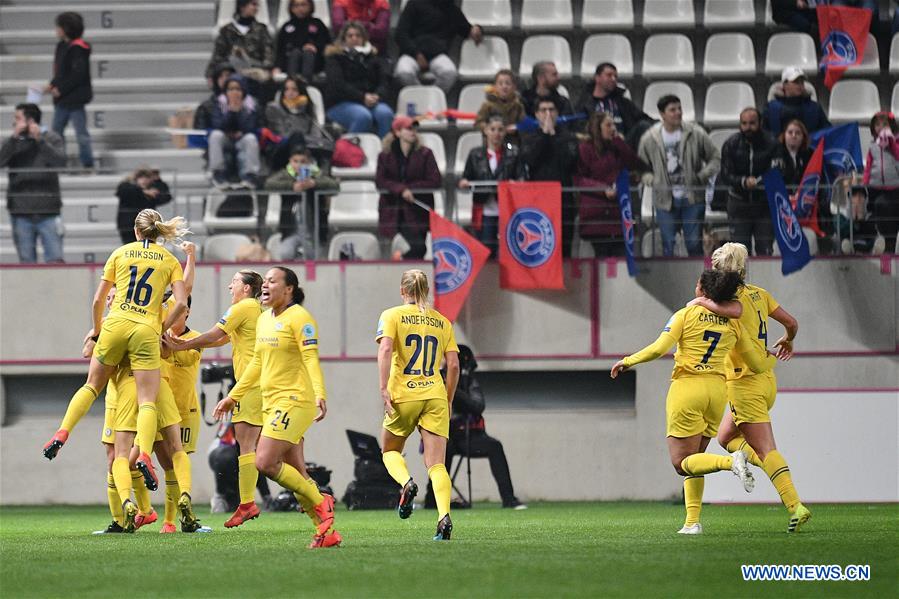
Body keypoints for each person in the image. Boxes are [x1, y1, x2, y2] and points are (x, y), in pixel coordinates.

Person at [611, 269, 777, 534]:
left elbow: (658, 348)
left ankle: (730, 461)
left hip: (688, 389)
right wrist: (773, 357)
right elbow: (757, 364)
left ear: (702, 289)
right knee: (695, 459)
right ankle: (692, 522)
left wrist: (628, 360)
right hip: (717, 392)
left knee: (681, 463)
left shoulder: (685, 315)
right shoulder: (734, 323)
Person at [43, 209, 190, 498]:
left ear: (136, 231)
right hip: (146, 329)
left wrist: (97, 330)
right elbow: (182, 303)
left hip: (116, 323)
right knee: (147, 399)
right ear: (159, 232)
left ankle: (63, 431)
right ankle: (144, 454)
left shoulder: (121, 253)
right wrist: (162, 325)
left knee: (91, 386)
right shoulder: (170, 260)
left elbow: (99, 300)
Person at [214, 267, 341, 548]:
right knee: (296, 472)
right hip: (271, 402)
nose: (267, 285)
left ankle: (322, 502)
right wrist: (234, 396)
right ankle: (326, 532)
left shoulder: (301, 319)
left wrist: (320, 392)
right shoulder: (264, 320)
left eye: (273, 281)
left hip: (294, 401)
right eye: (266, 281)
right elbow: (256, 364)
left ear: (289, 289)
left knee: (265, 462)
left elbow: (310, 359)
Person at [695, 242, 812, 533]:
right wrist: (788, 338)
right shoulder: (760, 294)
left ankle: (795, 504)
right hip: (767, 381)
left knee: (766, 448)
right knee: (725, 437)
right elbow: (792, 323)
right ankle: (751, 461)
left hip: (743, 384)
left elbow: (705, 305)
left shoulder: (725, 305)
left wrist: (698, 301)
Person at [165, 270, 266, 528]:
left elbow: (212, 334)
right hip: (261, 383)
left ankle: (250, 503)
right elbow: (222, 339)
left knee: (250, 446)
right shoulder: (255, 310)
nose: (229, 285)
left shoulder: (241, 308)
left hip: (251, 385)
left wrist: (182, 345)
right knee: (263, 446)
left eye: (234, 281)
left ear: (246, 288)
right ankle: (250, 502)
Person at [377, 269, 460, 540]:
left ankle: (406, 483)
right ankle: (443, 517)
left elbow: (386, 349)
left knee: (390, 451)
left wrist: (383, 388)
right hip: (435, 394)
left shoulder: (391, 315)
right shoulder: (442, 322)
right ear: (426, 291)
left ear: (403, 291)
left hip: (404, 393)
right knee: (437, 464)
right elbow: (454, 365)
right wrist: (448, 399)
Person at [425, 345, 525, 510]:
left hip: (471, 437)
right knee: (442, 449)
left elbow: (478, 406)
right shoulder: (435, 380)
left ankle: (509, 499)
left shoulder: (469, 382)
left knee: (495, 446)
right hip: (447, 436)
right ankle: (432, 500)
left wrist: (454, 390)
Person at [638, 95, 720, 257]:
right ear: (662, 114)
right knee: (668, 245)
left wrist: (702, 176)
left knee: (694, 244)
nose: (678, 113)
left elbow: (715, 157)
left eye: (679, 108)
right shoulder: (650, 138)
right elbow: (639, 167)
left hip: (692, 198)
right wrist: (653, 181)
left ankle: (698, 280)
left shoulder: (695, 133)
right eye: (672, 110)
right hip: (664, 200)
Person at [521, 99, 588, 259]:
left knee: (565, 244)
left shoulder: (567, 137)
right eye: (543, 110)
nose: (548, 114)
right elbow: (531, 160)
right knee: (542, 244)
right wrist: (545, 135)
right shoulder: (529, 138)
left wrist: (552, 136)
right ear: (536, 115)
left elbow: (569, 162)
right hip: (539, 200)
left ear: (558, 114)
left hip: (563, 198)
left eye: (551, 110)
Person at [0, 103, 66, 264]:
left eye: (17, 118)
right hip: (20, 210)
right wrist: (13, 139)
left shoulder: (51, 138)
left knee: (55, 260)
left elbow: (61, 162)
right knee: (26, 262)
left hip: (49, 210)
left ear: (30, 121)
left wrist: (40, 141)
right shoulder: (13, 142)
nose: (14, 122)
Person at [573, 112, 645, 257]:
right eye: (608, 125)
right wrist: (602, 189)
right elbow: (579, 179)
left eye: (614, 125)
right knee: (603, 258)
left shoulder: (617, 146)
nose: (613, 128)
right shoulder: (585, 149)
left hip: (618, 213)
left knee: (620, 258)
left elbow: (636, 164)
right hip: (596, 213)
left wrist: (619, 142)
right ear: (597, 128)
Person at [458, 114, 526, 257]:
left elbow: (522, 177)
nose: (496, 134)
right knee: (486, 248)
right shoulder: (475, 154)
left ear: (505, 132)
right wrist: (464, 182)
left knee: (509, 249)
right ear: (486, 131)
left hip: (508, 209)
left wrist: (517, 183)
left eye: (500, 130)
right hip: (484, 210)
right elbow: (466, 177)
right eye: (493, 129)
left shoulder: (513, 152)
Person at [375, 116, 441, 260]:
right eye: (409, 129)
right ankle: (400, 263)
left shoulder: (425, 154)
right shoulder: (385, 155)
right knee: (418, 248)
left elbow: (435, 180)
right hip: (393, 211)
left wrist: (409, 189)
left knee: (420, 249)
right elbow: (380, 181)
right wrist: (401, 190)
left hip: (417, 212)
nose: (413, 132)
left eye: (414, 129)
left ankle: (401, 262)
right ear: (397, 132)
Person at [720, 108, 780, 256]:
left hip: (764, 205)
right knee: (739, 254)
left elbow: (778, 170)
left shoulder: (772, 143)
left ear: (760, 123)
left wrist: (759, 182)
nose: (748, 127)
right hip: (738, 204)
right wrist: (743, 182)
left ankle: (764, 280)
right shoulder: (730, 144)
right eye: (744, 123)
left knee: (765, 251)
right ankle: (741, 280)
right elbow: (726, 174)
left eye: (752, 123)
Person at [264, 147, 339, 260]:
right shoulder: (285, 175)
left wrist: (314, 184)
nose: (298, 165)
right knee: (285, 254)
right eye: (295, 161)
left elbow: (335, 187)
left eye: (303, 161)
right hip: (290, 230)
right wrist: (291, 186)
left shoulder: (316, 174)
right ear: (290, 161)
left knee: (314, 257)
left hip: (313, 231)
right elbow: (268, 184)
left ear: (309, 162)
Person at [393, 0, 483, 92]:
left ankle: (432, 98)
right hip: (412, 54)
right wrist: (416, 54)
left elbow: (466, 29)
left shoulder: (451, 9)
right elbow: (400, 34)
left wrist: (477, 29)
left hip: (437, 55)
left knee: (449, 73)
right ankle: (419, 95)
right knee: (403, 72)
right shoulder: (414, 3)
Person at [323, 21, 393, 138]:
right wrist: (362, 97)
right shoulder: (335, 58)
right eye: (350, 36)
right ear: (344, 39)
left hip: (370, 100)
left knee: (386, 114)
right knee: (362, 116)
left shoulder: (374, 58)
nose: (354, 38)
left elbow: (384, 81)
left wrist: (377, 95)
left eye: (358, 35)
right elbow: (337, 84)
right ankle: (349, 152)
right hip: (340, 102)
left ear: (364, 38)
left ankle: (382, 152)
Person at [46, 11, 94, 169]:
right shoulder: (61, 46)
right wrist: (52, 85)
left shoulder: (78, 48)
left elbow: (78, 75)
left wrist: (60, 89)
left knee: (81, 135)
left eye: (58, 27)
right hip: (62, 101)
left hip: (75, 100)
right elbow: (60, 72)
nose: (56, 30)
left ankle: (87, 164)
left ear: (66, 29)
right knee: (57, 134)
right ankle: (59, 164)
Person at [206, 0, 275, 102]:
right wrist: (210, 74)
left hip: (255, 70)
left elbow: (268, 54)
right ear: (242, 7)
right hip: (232, 70)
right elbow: (218, 55)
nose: (256, 8)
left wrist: (263, 67)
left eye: (257, 5)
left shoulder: (261, 30)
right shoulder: (227, 30)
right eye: (253, 5)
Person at [264, 75, 334, 171]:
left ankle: (320, 174)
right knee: (297, 136)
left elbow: (316, 136)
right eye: (287, 89)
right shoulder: (274, 108)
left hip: (306, 147)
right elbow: (282, 134)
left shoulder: (307, 110)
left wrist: (299, 109)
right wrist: (292, 111)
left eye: (294, 90)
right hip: (281, 148)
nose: (290, 93)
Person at [853, 111, 899, 255]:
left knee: (884, 207)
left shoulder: (896, 142)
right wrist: (866, 183)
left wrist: (891, 143)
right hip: (875, 186)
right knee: (870, 209)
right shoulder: (873, 145)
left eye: (884, 124)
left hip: (893, 188)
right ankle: (864, 242)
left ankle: (887, 242)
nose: (880, 127)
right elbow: (868, 167)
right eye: (877, 125)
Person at [576, 63, 652, 149]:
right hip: (597, 147)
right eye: (609, 75)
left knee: (644, 126)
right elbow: (581, 129)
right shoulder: (585, 104)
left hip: (624, 144)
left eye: (615, 76)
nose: (613, 79)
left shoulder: (622, 101)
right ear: (597, 78)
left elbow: (642, 118)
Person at [209, 75, 261, 189]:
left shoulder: (251, 104)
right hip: (226, 139)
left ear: (243, 91)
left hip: (242, 139)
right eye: (231, 89)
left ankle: (250, 176)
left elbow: (251, 127)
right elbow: (217, 125)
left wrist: (240, 111)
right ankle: (218, 173)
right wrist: (231, 112)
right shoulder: (219, 103)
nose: (234, 92)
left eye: (238, 89)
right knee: (215, 135)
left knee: (251, 138)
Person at [273, 0, 331, 83]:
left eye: (303, 5)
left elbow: (327, 44)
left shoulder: (318, 24)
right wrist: (277, 66)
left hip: (315, 62)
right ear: (291, 8)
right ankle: (292, 84)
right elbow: (280, 50)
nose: (300, 8)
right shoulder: (287, 27)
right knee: (295, 53)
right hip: (290, 62)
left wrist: (315, 47)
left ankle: (306, 84)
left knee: (308, 54)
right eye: (296, 5)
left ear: (310, 6)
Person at [762, 67, 830, 136]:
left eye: (802, 82)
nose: (800, 85)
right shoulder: (770, 109)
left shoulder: (815, 108)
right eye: (796, 82)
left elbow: (827, 132)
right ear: (785, 85)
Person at [115, 167, 172, 243]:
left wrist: (158, 180)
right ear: (136, 179)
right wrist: (144, 192)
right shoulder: (127, 187)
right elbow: (122, 191)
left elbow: (166, 196)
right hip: (128, 226)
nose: (144, 180)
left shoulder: (153, 190)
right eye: (141, 177)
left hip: (147, 226)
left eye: (147, 177)